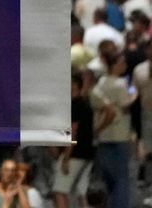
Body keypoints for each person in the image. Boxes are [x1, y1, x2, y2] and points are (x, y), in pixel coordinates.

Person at [91, 51, 135, 208]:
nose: (125, 65)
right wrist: (134, 93)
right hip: (119, 136)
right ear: (115, 65)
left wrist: (97, 129)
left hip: (104, 137)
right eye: (122, 62)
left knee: (108, 178)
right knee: (121, 179)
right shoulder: (120, 83)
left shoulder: (101, 82)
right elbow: (124, 105)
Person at [53, 71, 95, 208]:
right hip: (87, 153)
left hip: (74, 154)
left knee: (59, 190)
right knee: (80, 191)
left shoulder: (75, 105)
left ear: (75, 85)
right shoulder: (84, 104)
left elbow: (73, 133)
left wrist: (66, 156)